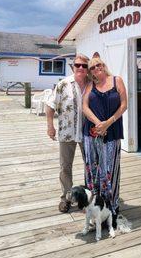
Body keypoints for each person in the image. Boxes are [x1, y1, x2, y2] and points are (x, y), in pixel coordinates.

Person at [82, 57, 127, 227]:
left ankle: (112, 208)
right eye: (92, 67)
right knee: (93, 170)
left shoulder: (117, 80)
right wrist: (97, 123)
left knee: (110, 171)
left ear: (104, 65)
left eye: (98, 65)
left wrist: (108, 122)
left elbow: (124, 105)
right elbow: (84, 107)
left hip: (112, 132)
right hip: (91, 133)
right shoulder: (89, 85)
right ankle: (94, 207)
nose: (96, 68)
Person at [45, 54, 90, 213]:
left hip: (88, 134)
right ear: (73, 66)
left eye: (84, 66)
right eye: (78, 65)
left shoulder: (92, 84)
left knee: (90, 166)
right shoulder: (63, 84)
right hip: (67, 133)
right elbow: (50, 105)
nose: (81, 68)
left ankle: (88, 199)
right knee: (65, 167)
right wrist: (50, 126)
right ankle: (66, 198)